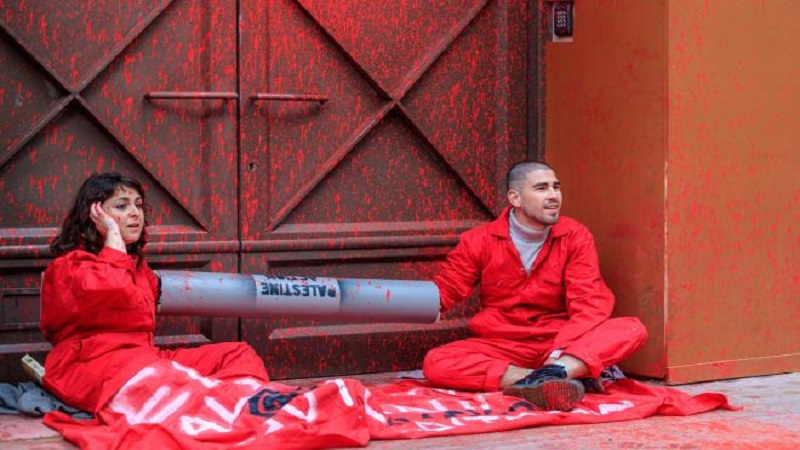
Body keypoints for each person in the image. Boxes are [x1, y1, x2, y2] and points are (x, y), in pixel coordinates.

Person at [422, 161, 648, 411]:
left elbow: (589, 303)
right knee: (436, 362)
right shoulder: (478, 240)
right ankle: (550, 378)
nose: (553, 196)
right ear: (515, 198)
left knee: (632, 329)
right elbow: (445, 290)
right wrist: (399, 300)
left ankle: (556, 372)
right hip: (504, 344)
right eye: (541, 188)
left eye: (556, 187)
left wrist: (559, 352)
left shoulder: (575, 235)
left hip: (562, 341)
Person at [39, 172, 269, 413]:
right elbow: (112, 286)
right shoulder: (70, 266)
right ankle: (215, 409)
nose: (135, 213)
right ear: (95, 215)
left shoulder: (138, 268)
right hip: (93, 368)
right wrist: (113, 237)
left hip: (145, 360)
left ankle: (240, 411)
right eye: (121, 206)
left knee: (238, 354)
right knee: (172, 380)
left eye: (138, 205)